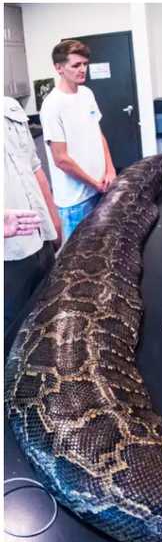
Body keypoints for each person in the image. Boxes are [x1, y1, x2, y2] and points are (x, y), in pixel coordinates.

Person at [39, 39, 115, 242]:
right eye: (76, 65)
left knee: (103, 251)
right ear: (59, 68)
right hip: (75, 202)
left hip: (101, 189)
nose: (83, 69)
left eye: (85, 64)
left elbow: (98, 135)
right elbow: (61, 159)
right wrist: (94, 184)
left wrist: (110, 170)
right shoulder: (52, 106)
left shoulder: (87, 94)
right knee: (76, 265)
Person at [5, 96, 62, 352]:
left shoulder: (9, 107)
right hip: (8, 256)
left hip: (40, 240)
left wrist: (54, 221)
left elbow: (36, 169)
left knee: (50, 317)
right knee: (15, 339)